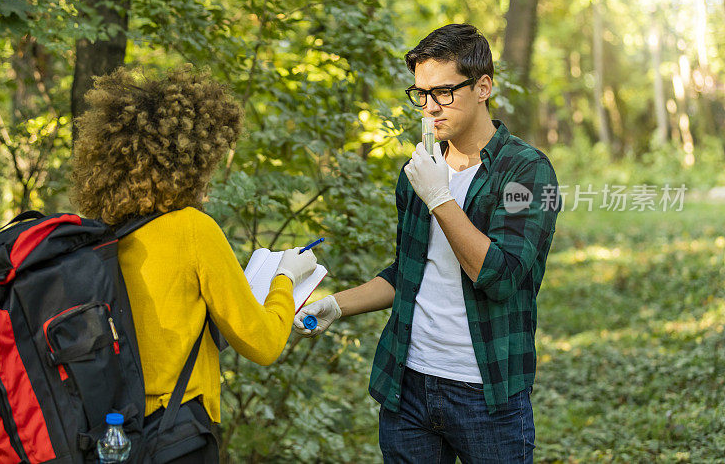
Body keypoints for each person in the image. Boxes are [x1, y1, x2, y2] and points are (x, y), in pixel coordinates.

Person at [294, 24, 561, 463]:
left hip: (486, 393)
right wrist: (337, 305)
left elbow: (500, 276)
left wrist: (440, 198)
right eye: (421, 93)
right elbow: (409, 273)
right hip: (409, 387)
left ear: (483, 87)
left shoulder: (525, 171)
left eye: (443, 92)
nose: (429, 107)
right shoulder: (419, 171)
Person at [70, 65, 317, 460]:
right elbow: (264, 344)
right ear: (190, 164)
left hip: (109, 435)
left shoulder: (100, 235)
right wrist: (286, 276)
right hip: (175, 435)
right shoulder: (192, 229)